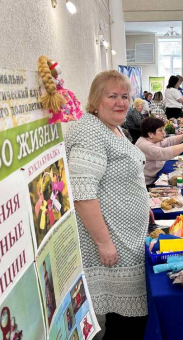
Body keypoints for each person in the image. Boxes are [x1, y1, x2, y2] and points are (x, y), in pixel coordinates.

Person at [65, 70, 149, 338]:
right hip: (113, 241)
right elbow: (82, 192)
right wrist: (103, 243)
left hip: (127, 236)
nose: (120, 102)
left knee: (125, 319)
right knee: (126, 322)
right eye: (112, 96)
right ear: (95, 99)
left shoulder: (114, 128)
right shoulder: (89, 129)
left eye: (125, 96)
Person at [136, 118, 183, 185]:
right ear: (150, 134)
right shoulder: (145, 145)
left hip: (156, 175)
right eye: (160, 130)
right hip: (148, 183)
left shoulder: (151, 139)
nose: (164, 132)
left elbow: (168, 141)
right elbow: (164, 153)